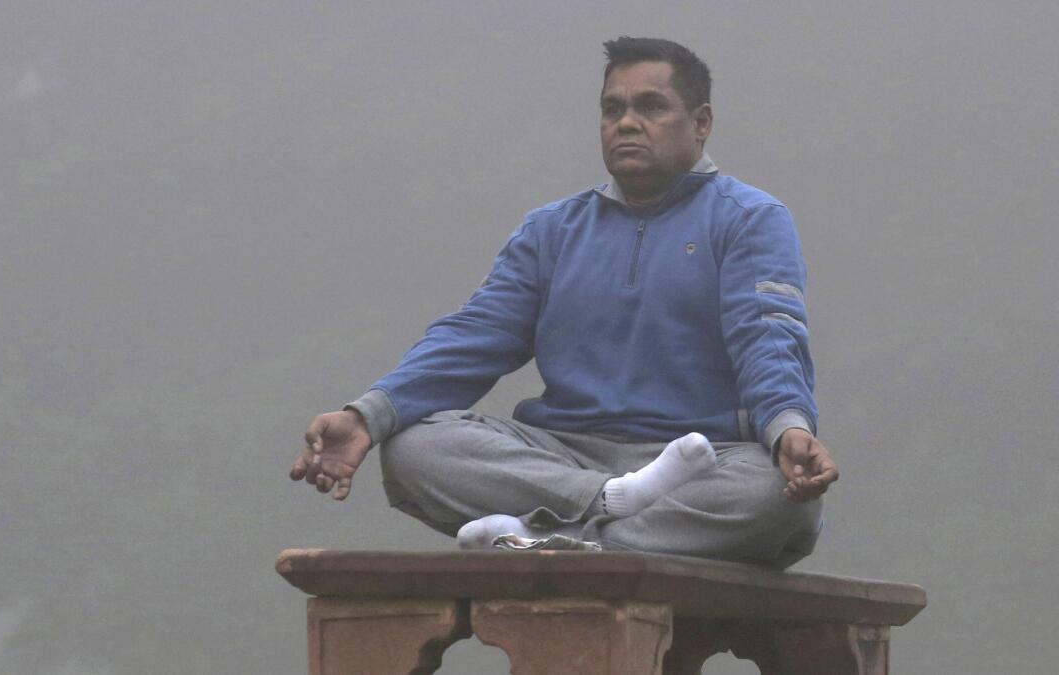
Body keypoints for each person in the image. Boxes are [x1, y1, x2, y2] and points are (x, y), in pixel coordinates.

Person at [290, 37, 838, 568]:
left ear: (701, 122)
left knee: (776, 493)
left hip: (701, 457)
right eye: (612, 108)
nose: (626, 123)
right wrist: (366, 416)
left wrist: (789, 428)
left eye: (650, 107)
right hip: (565, 456)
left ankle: (549, 541)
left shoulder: (748, 219)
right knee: (412, 446)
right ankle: (607, 516)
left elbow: (768, 338)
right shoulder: (553, 230)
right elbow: (473, 337)